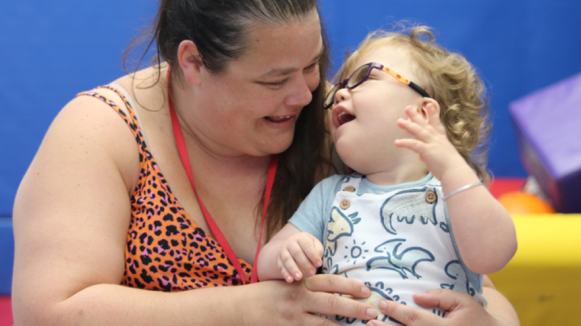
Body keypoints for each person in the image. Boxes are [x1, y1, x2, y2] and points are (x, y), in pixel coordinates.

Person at [11, 0, 519, 324]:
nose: (304, 95)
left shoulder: (338, 131)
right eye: (274, 80)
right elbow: (49, 312)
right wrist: (249, 309)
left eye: (312, 66)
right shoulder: (104, 130)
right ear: (193, 63)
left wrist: (490, 322)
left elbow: (465, 275)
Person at [256, 25, 518, 325]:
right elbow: (265, 264)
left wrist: (451, 166)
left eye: (364, 78)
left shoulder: (454, 192)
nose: (340, 92)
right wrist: (286, 253)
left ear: (422, 111)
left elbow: (495, 255)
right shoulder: (332, 193)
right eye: (340, 87)